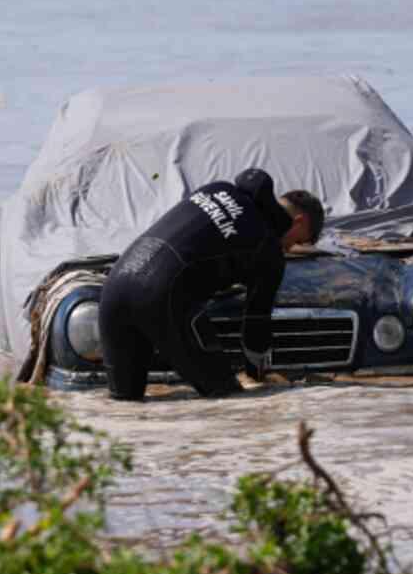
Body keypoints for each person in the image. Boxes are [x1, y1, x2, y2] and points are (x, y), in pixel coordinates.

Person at [99, 168, 324, 401]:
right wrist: (259, 377)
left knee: (124, 405)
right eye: (297, 242)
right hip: (162, 296)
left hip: (115, 286)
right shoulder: (269, 249)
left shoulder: (216, 188)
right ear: (299, 222)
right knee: (228, 402)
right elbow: (256, 326)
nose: (289, 250)